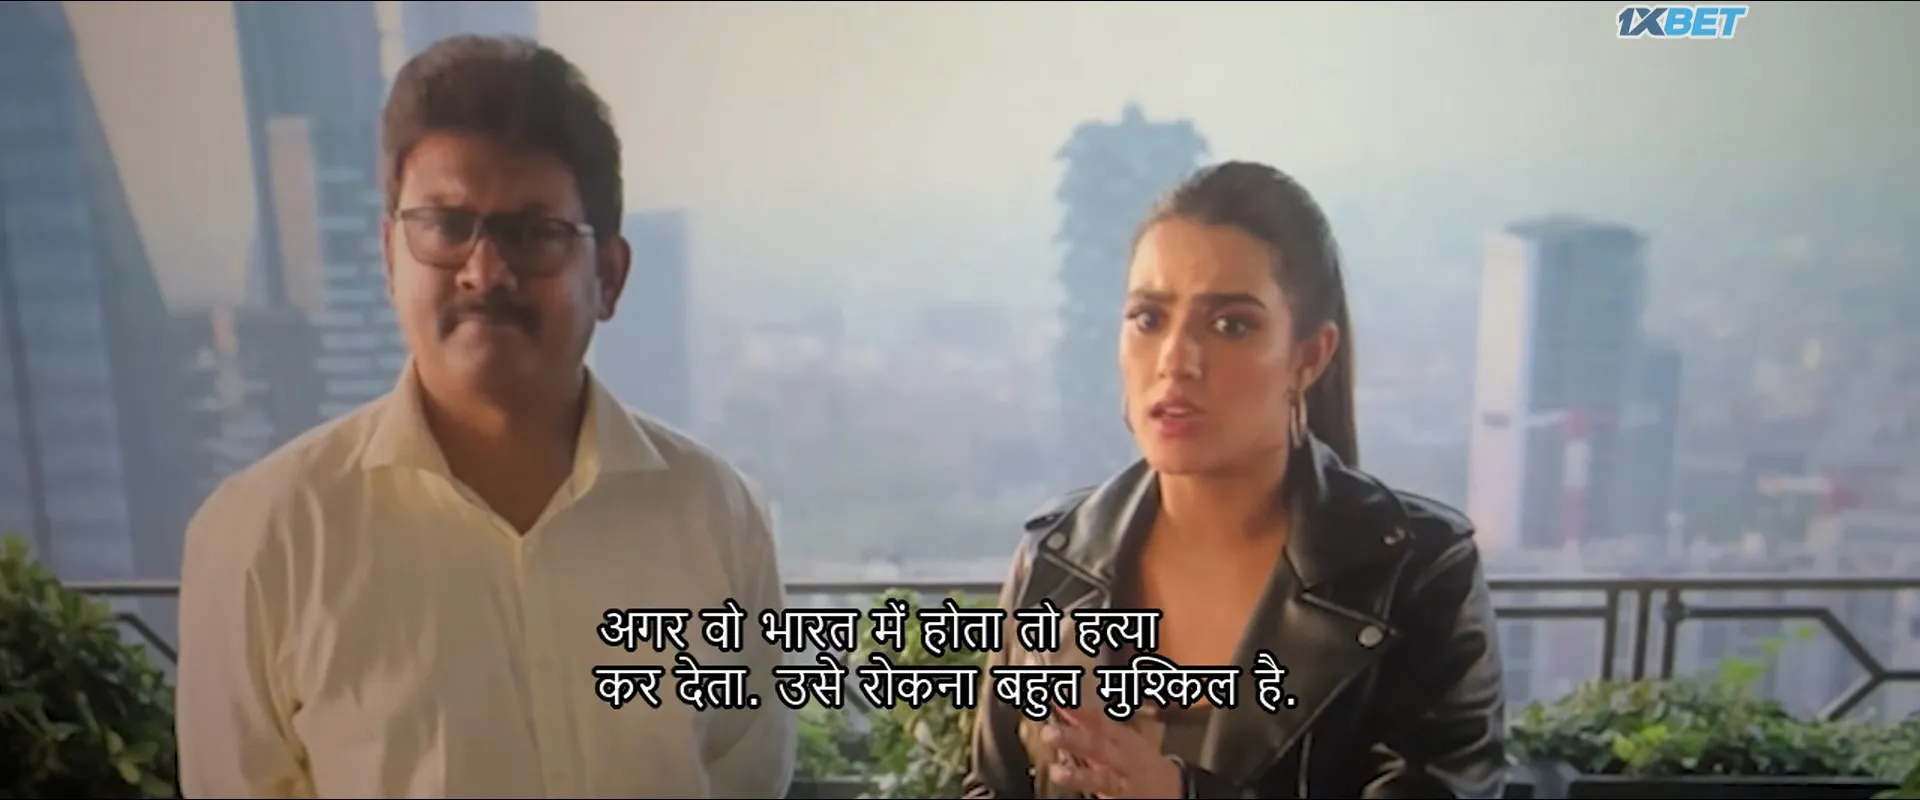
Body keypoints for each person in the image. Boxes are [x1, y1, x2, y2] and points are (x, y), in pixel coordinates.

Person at [175, 36, 794, 798]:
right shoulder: (264, 536)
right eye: (445, 225)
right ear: (390, 258)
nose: (485, 271)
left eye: (534, 234)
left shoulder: (716, 516)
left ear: (608, 275)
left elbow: (745, 777)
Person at [965, 161, 1507, 799]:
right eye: (1148, 319)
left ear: (1309, 356)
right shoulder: (1057, 557)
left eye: (1231, 325)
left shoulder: (1416, 573)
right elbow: (992, 788)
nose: (1176, 361)